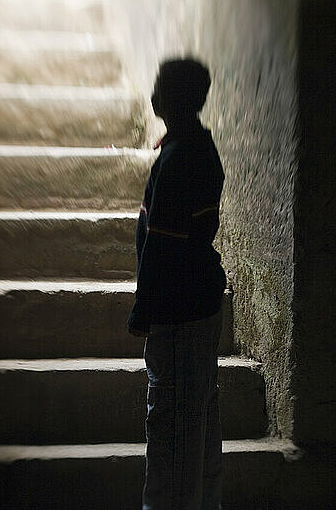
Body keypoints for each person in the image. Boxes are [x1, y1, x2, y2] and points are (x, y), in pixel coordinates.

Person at [127, 57, 226, 510]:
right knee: (194, 422)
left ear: (182, 101)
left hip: (179, 313)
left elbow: (163, 252)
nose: (152, 96)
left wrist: (142, 312)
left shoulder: (182, 159)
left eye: (160, 88)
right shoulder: (187, 149)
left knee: (173, 430)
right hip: (193, 308)